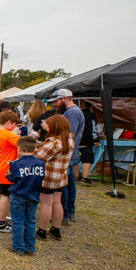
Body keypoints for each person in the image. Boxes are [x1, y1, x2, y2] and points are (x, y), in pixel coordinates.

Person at [32, 114, 74, 241]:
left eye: (48, 125)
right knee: (57, 203)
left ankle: (42, 231)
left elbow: (38, 156)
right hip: (60, 177)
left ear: (55, 126)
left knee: (46, 204)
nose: (46, 128)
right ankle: (56, 230)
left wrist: (33, 146)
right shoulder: (69, 140)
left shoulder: (54, 143)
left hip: (48, 178)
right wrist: (42, 144)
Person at [5, 136, 45, 255]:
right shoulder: (40, 163)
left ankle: (18, 247)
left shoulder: (16, 164)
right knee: (30, 221)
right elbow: (41, 178)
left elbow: (10, 177)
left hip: (18, 195)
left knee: (17, 221)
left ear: (19, 149)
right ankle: (30, 247)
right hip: (33, 195)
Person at [50, 89, 84, 224]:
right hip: (70, 153)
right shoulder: (74, 111)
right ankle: (68, 212)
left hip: (67, 154)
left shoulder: (72, 113)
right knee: (69, 183)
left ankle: (63, 214)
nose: (55, 105)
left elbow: (70, 135)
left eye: (56, 101)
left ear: (65, 98)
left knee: (62, 185)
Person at [77, 100, 99, 186]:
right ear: (91, 108)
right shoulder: (91, 116)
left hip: (76, 140)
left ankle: (76, 176)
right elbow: (92, 128)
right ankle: (85, 178)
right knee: (87, 158)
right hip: (86, 141)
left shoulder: (77, 114)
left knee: (76, 159)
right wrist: (95, 139)